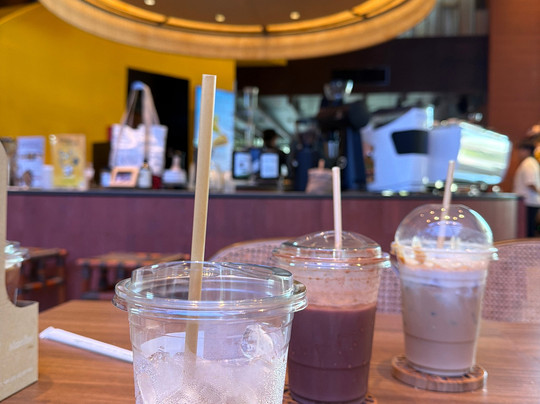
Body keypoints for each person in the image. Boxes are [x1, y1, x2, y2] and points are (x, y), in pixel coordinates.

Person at [513, 139, 540, 237]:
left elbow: (531, 183)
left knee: (527, 231)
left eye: (520, 150)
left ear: (527, 151)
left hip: (528, 202)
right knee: (529, 229)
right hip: (531, 202)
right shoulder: (531, 162)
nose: (518, 153)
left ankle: (529, 247)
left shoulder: (528, 163)